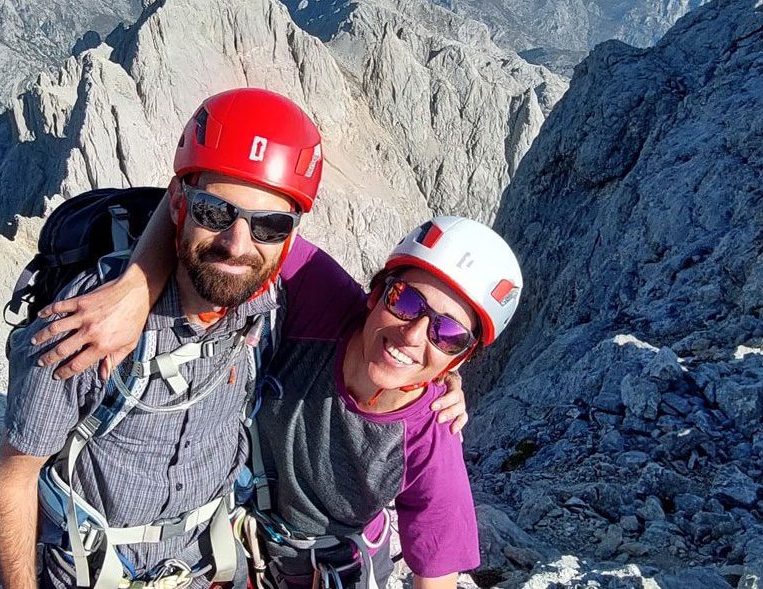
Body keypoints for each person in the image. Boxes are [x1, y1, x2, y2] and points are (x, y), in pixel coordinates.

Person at [0, 88, 468, 589]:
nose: (238, 244)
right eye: (215, 213)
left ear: (288, 237)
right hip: (92, 572)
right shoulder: (90, 321)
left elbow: (391, 329)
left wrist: (443, 371)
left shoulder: (274, 296)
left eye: (270, 225)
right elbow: (14, 473)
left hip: (208, 568)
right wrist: (133, 289)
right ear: (179, 204)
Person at [40, 212, 520, 589]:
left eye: (449, 333)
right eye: (408, 301)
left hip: (325, 570)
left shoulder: (430, 436)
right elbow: (210, 214)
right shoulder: (324, 300)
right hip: (232, 539)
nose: (414, 335)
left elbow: (436, 573)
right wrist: (133, 289)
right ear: (377, 294)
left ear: (461, 358)